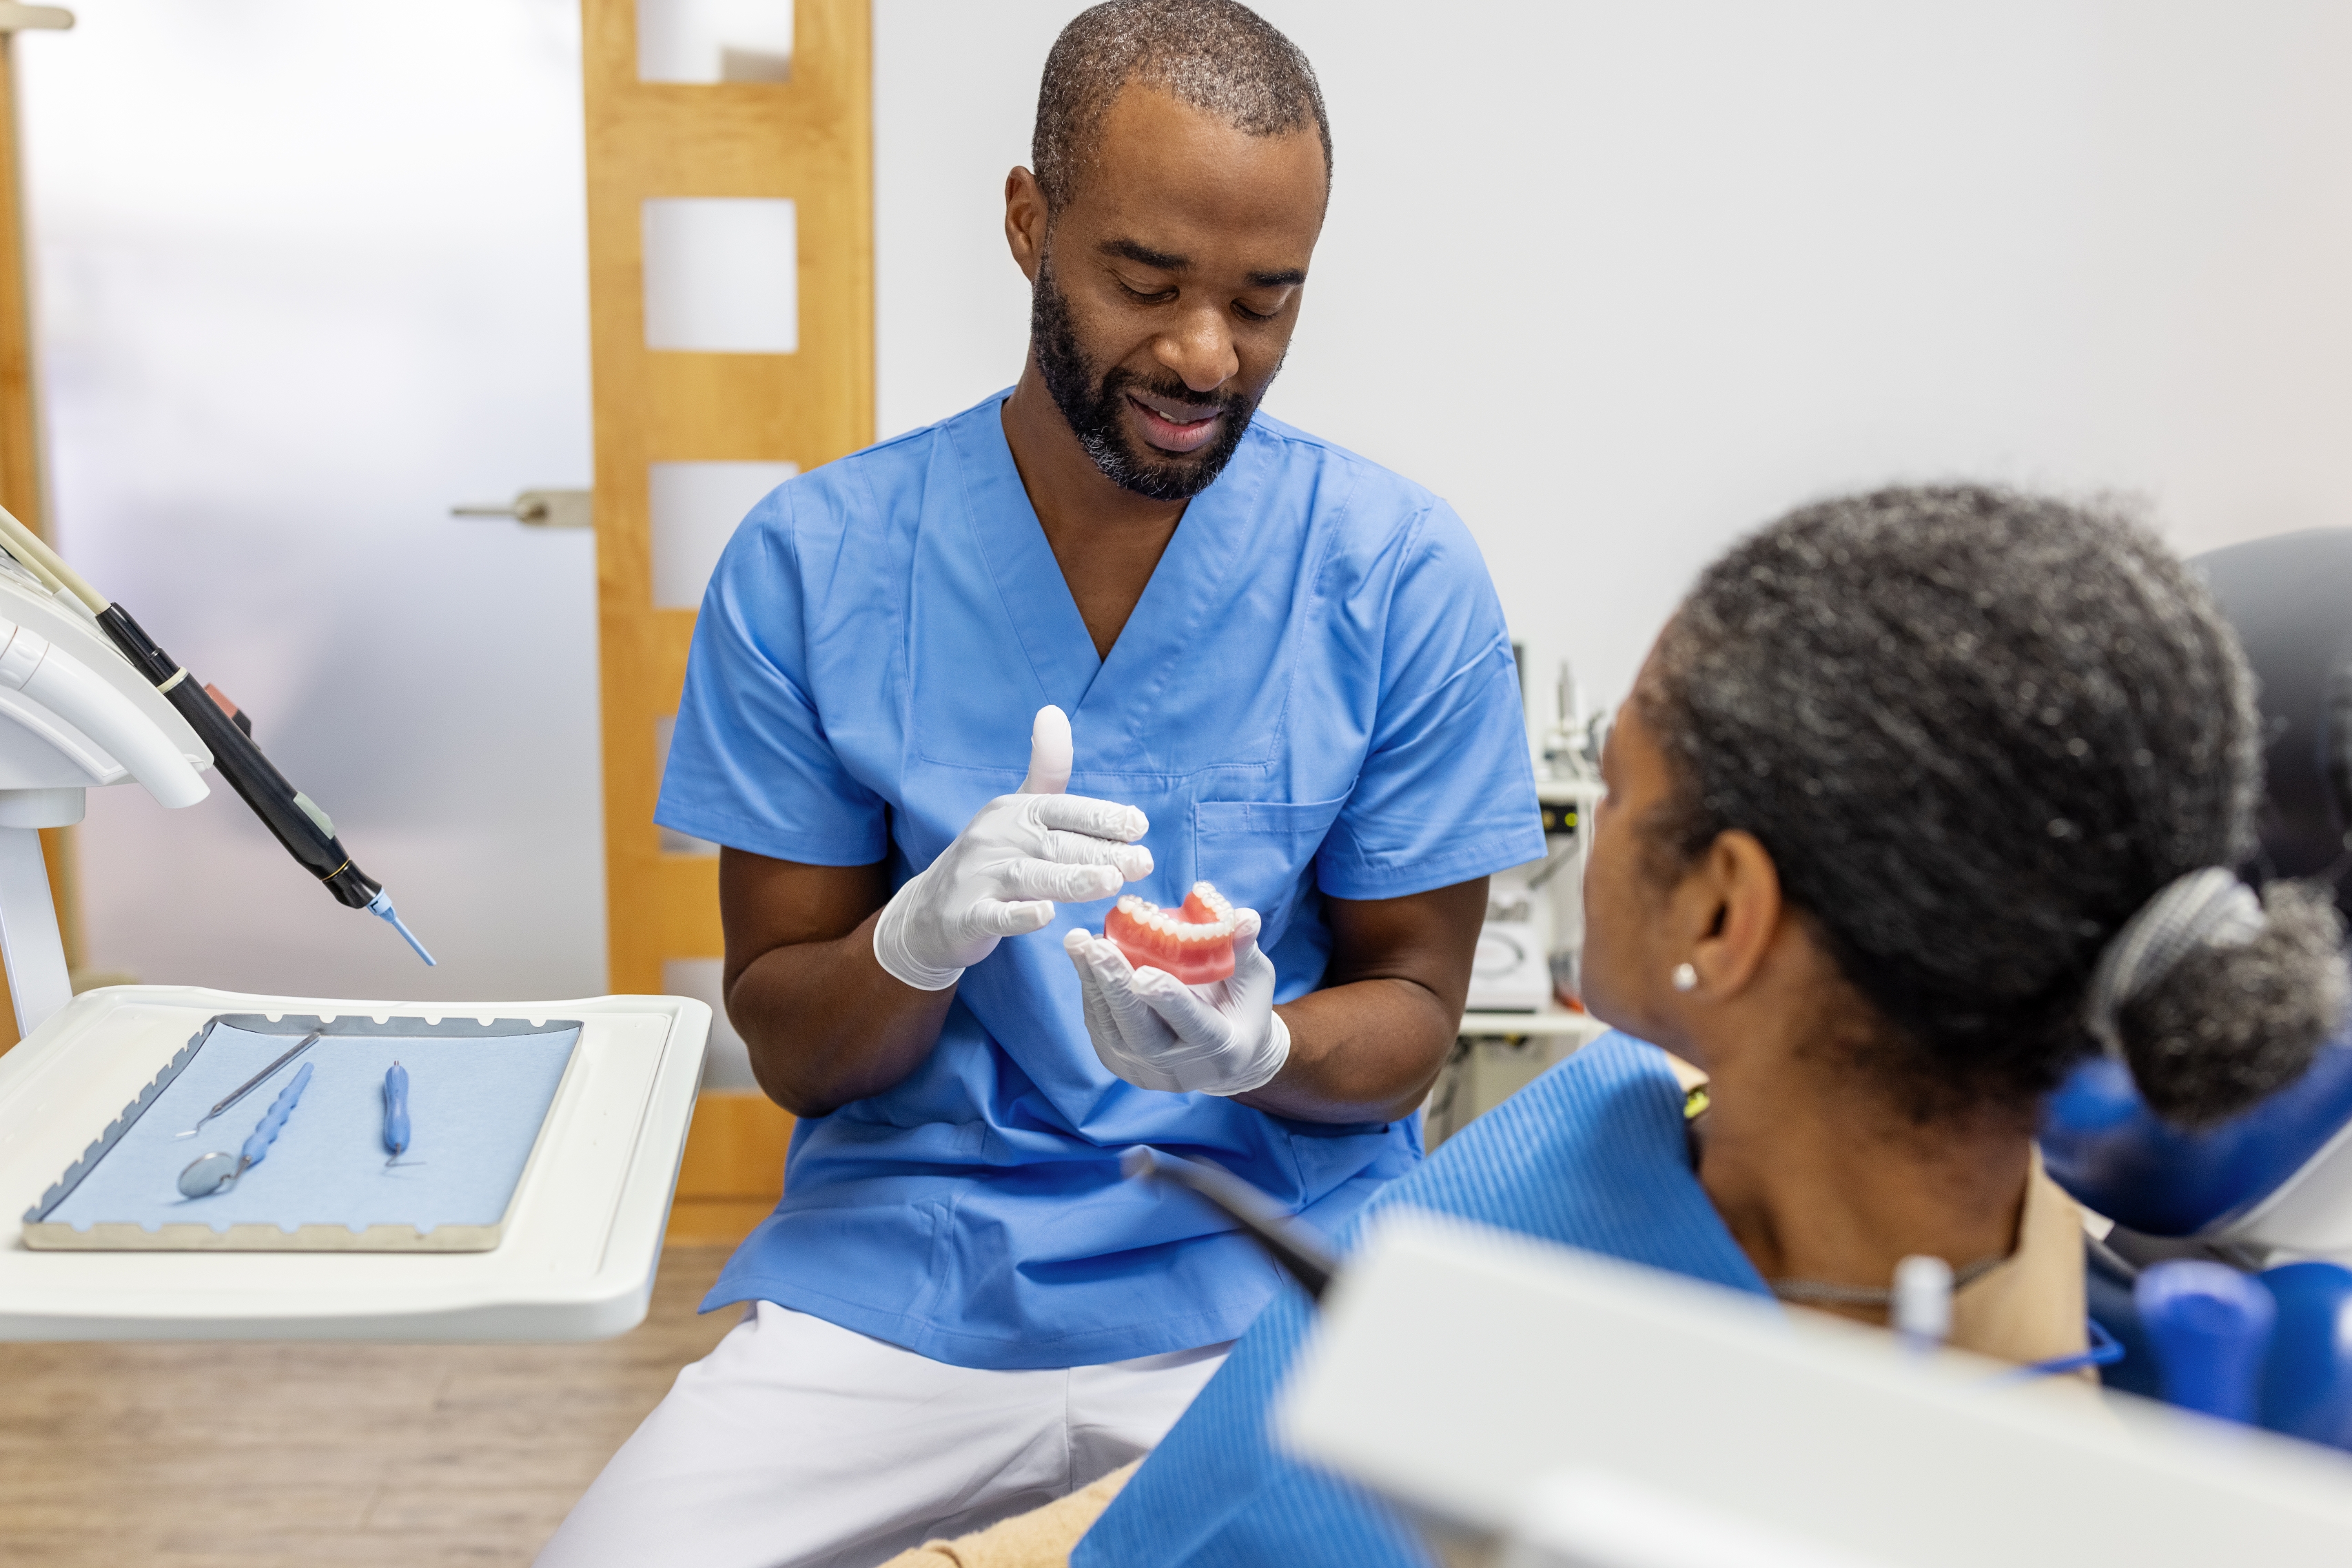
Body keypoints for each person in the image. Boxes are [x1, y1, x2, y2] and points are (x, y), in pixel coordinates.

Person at [879, 486, 2349, 1568]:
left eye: (1623, 780)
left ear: (1725, 914)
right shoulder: (1636, 1106)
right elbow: (1244, 1453)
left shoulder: (1902, 1488)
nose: (1574, 824)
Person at [534, 5, 1543, 1566]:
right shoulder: (815, 568)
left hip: (1261, 1273)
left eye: (1265, 303)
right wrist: (912, 943)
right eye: (1147, 282)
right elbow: (793, 1041)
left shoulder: (1395, 574)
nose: (1206, 352)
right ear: (1028, 223)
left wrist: (1257, 1044)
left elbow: (1410, 1012)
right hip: (914, 1280)